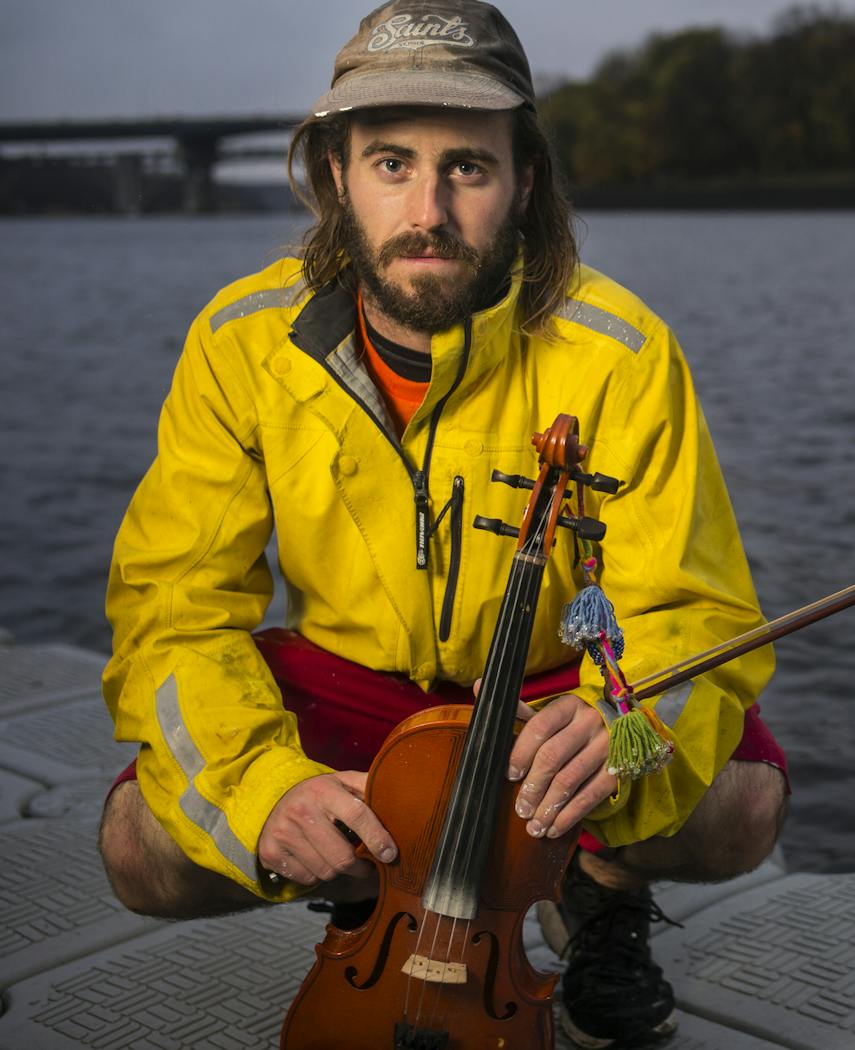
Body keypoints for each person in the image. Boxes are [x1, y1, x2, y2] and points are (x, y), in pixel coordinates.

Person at [97, 2, 788, 1045]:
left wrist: (619, 720)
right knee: (137, 849)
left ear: (523, 181)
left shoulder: (621, 351)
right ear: (336, 173)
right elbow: (173, 608)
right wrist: (263, 787)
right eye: (389, 164)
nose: (428, 209)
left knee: (739, 808)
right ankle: (377, 883)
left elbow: (692, 612)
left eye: (466, 167)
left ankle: (594, 889)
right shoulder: (240, 343)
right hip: (354, 685)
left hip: (549, 702)